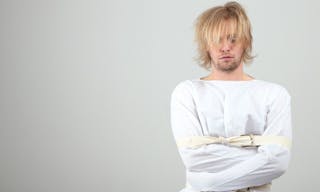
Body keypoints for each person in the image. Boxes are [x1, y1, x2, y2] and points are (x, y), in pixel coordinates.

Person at [170, 1, 292, 192]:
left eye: (233, 39)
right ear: (206, 46)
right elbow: (193, 157)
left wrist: (208, 183)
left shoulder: (274, 94)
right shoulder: (187, 92)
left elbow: (278, 162)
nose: (225, 47)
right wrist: (258, 157)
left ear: (246, 42)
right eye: (217, 39)